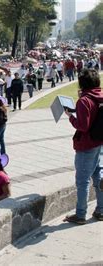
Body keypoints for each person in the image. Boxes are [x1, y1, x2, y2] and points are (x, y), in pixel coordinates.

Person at [63, 68, 103, 225]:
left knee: (82, 180)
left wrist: (70, 117)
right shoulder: (99, 96)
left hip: (86, 145)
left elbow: (83, 126)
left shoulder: (84, 101)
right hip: (99, 141)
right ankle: (100, 210)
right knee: (98, 175)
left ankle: (80, 214)